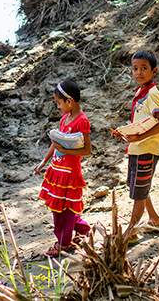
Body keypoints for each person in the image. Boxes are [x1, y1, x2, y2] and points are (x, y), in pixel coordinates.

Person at [111, 50, 159, 243]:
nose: (138, 72)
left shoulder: (152, 93)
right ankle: (154, 218)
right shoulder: (140, 92)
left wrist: (139, 137)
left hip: (147, 149)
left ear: (154, 71)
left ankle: (131, 231)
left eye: (144, 68)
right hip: (137, 148)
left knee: (138, 193)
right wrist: (127, 134)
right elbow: (142, 122)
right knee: (138, 187)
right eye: (135, 68)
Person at [35, 79, 92, 257]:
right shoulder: (65, 118)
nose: (58, 107)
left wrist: (66, 149)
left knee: (63, 209)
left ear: (70, 101)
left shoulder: (82, 121)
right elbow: (56, 143)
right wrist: (44, 161)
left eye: (59, 103)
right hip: (57, 169)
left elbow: (87, 150)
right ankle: (81, 228)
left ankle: (63, 243)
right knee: (58, 206)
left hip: (69, 172)